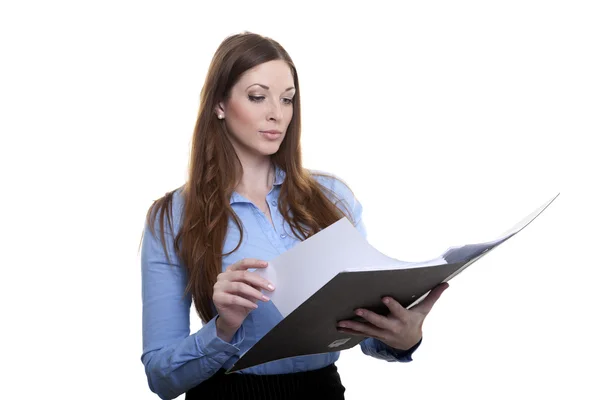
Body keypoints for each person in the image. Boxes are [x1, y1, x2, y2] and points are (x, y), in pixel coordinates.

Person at [140, 31, 449, 400]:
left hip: (322, 392)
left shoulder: (333, 198)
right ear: (220, 104)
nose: (277, 113)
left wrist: (404, 336)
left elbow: (364, 333)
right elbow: (162, 378)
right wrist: (223, 328)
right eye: (257, 97)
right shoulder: (172, 216)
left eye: (287, 100)